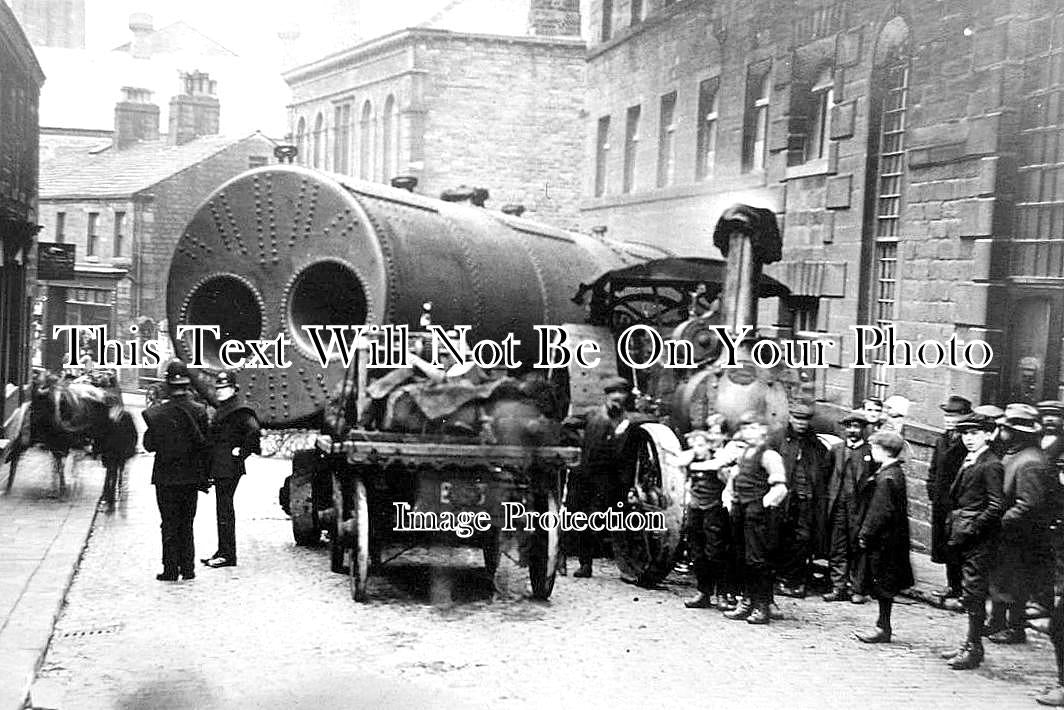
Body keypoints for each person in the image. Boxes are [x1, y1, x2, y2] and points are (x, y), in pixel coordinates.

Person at [940, 413, 1004, 670]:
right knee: (970, 592)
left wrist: (973, 528)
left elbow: (996, 505)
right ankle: (968, 643)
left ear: (988, 434)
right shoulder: (971, 460)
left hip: (979, 540)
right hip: (965, 536)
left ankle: (974, 648)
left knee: (975, 594)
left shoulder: (991, 464)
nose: (969, 438)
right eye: (965, 433)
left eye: (975, 433)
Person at [986, 403, 1052, 645]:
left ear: (1017, 432)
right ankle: (997, 622)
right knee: (1000, 579)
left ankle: (1015, 629)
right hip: (1008, 534)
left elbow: (1029, 504)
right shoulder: (1015, 453)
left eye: (1004, 429)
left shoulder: (1030, 462)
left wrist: (1000, 521)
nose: (1000, 433)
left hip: (1020, 535)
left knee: (1014, 582)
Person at [142, 360, 210, 581]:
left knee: (169, 523)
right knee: (187, 522)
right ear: (188, 384)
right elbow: (206, 445)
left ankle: (170, 569)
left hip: (166, 476)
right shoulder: (199, 411)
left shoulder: (156, 413)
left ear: (168, 384)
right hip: (191, 477)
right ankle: (188, 569)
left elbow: (149, 445)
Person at [722, 412, 787, 625]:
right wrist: (730, 497)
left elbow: (780, 489)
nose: (747, 432)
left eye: (752, 428)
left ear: (763, 430)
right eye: (745, 428)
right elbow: (734, 477)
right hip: (741, 512)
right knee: (742, 558)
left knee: (758, 561)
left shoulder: (769, 456)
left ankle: (762, 606)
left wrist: (762, 506)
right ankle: (747, 602)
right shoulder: (744, 452)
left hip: (757, 516)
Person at [566, 376, 633, 578]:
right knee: (584, 519)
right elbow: (567, 425)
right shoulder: (592, 414)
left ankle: (626, 567)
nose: (617, 398)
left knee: (617, 521)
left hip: (613, 478)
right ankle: (585, 564)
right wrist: (579, 445)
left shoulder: (630, 420)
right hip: (586, 475)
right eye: (613, 394)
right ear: (607, 396)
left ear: (626, 397)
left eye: (621, 394)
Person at [853, 430, 914, 643]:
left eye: (875, 447)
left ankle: (883, 628)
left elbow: (880, 511)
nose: (872, 451)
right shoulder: (893, 472)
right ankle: (882, 626)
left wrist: (865, 534)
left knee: (883, 585)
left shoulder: (887, 477)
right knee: (884, 585)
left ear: (884, 450)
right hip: (891, 540)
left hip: (884, 542)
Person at [770, 401, 831, 598]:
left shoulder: (816, 445)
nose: (801, 423)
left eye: (805, 420)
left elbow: (824, 473)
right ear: (790, 418)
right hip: (783, 499)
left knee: (803, 539)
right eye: (797, 419)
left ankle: (794, 579)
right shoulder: (778, 439)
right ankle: (778, 579)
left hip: (806, 500)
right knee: (779, 536)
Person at [201, 372, 261, 569]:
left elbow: (254, 432)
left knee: (225, 510)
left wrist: (241, 453)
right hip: (221, 467)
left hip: (228, 467)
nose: (219, 392)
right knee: (223, 509)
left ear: (234, 390)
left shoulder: (239, 410)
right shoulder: (228, 407)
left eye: (224, 388)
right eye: (218, 388)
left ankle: (227, 554)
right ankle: (223, 551)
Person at [681, 416, 734, 609]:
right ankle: (703, 591)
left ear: (724, 436)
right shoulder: (697, 453)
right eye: (710, 433)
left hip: (715, 510)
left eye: (717, 433)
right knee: (697, 551)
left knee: (716, 552)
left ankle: (722, 594)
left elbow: (728, 481)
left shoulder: (723, 457)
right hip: (696, 509)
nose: (713, 437)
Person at [823, 409, 874, 603]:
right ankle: (838, 587)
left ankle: (858, 589)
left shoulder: (869, 452)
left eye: (857, 427)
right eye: (849, 427)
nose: (852, 431)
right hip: (838, 505)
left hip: (859, 507)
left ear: (863, 429)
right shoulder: (836, 450)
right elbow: (826, 475)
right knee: (838, 547)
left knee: (859, 547)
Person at [928, 395, 973, 611]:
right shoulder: (941, 439)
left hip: (957, 504)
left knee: (959, 546)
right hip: (940, 502)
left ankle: (964, 590)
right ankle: (952, 586)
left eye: (953, 415)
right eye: (946, 415)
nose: (948, 419)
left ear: (963, 417)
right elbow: (934, 469)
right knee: (945, 546)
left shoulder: (967, 442)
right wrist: (931, 489)